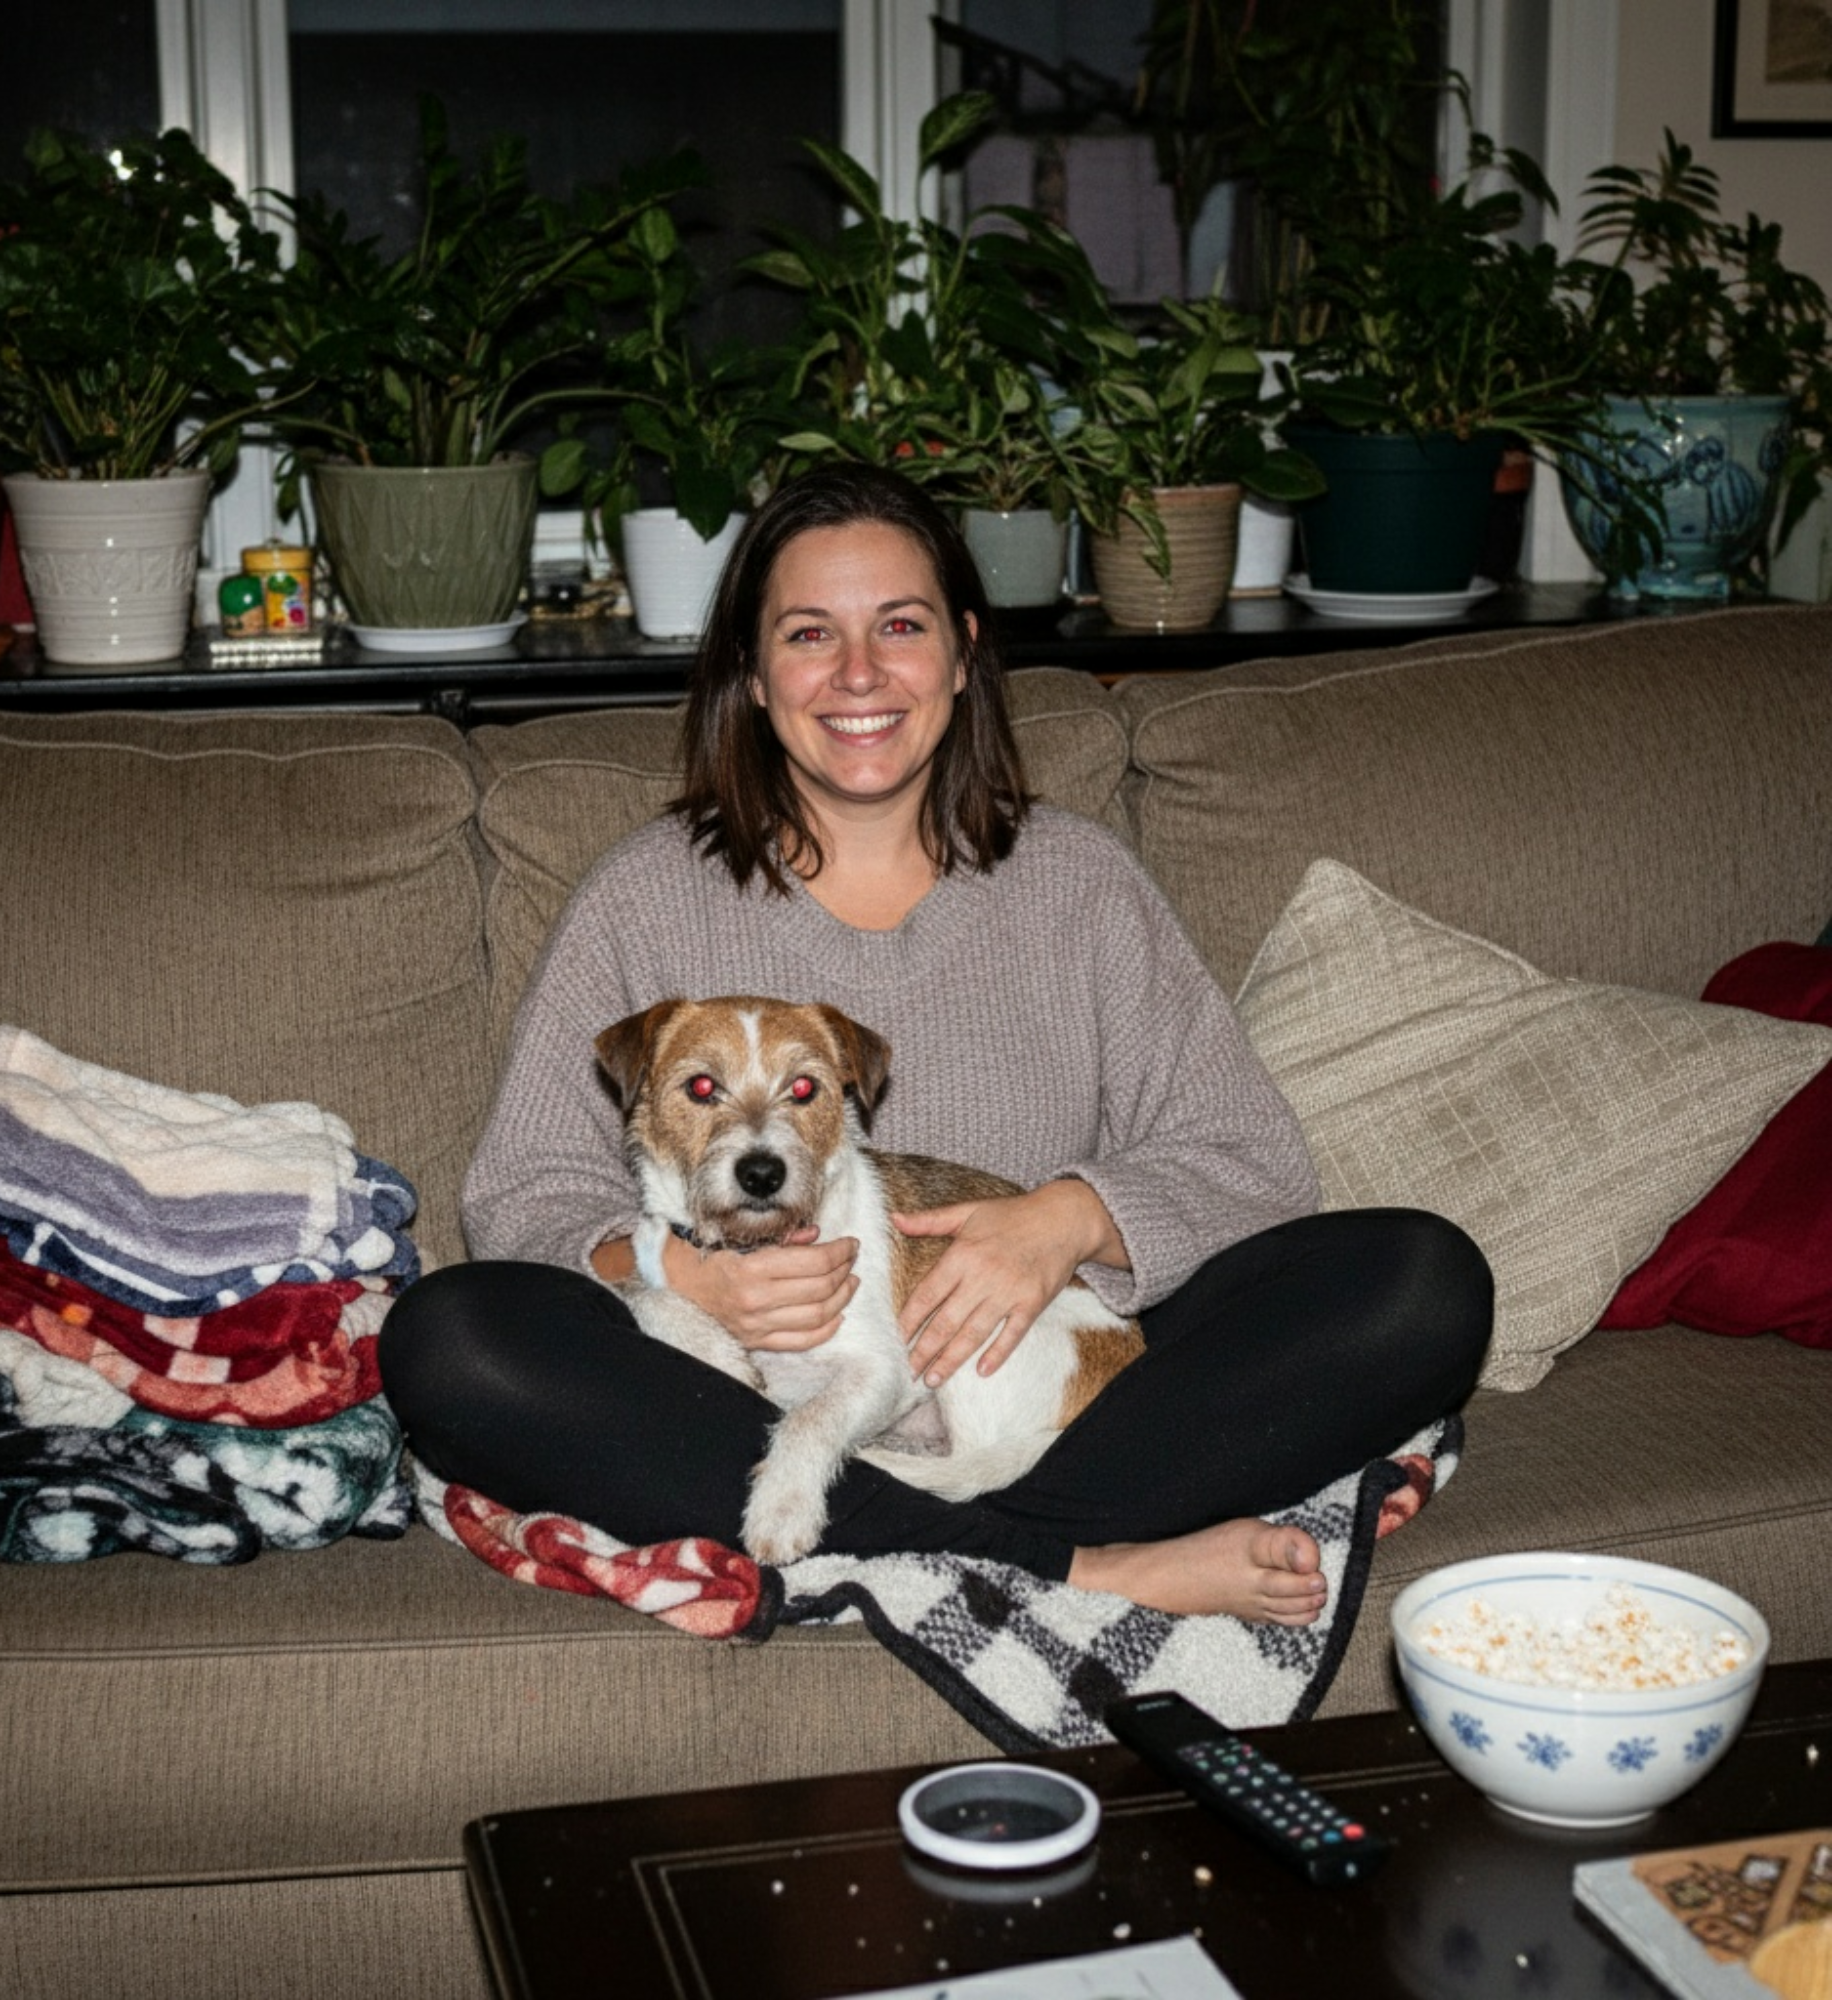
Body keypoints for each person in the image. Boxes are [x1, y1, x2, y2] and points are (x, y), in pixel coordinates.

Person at [379, 463, 1492, 1625]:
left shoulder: (1076, 882)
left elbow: (1251, 1156)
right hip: (743, 1390)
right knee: (451, 1338)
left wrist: (1067, 1218)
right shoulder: (644, 897)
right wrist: (686, 1274)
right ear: (753, 676)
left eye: (898, 627)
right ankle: (1080, 1560)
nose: (858, 675)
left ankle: (951, 1538)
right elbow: (520, 1194)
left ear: (961, 655)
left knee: (1420, 1279)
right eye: (810, 633)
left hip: (1049, 1393)